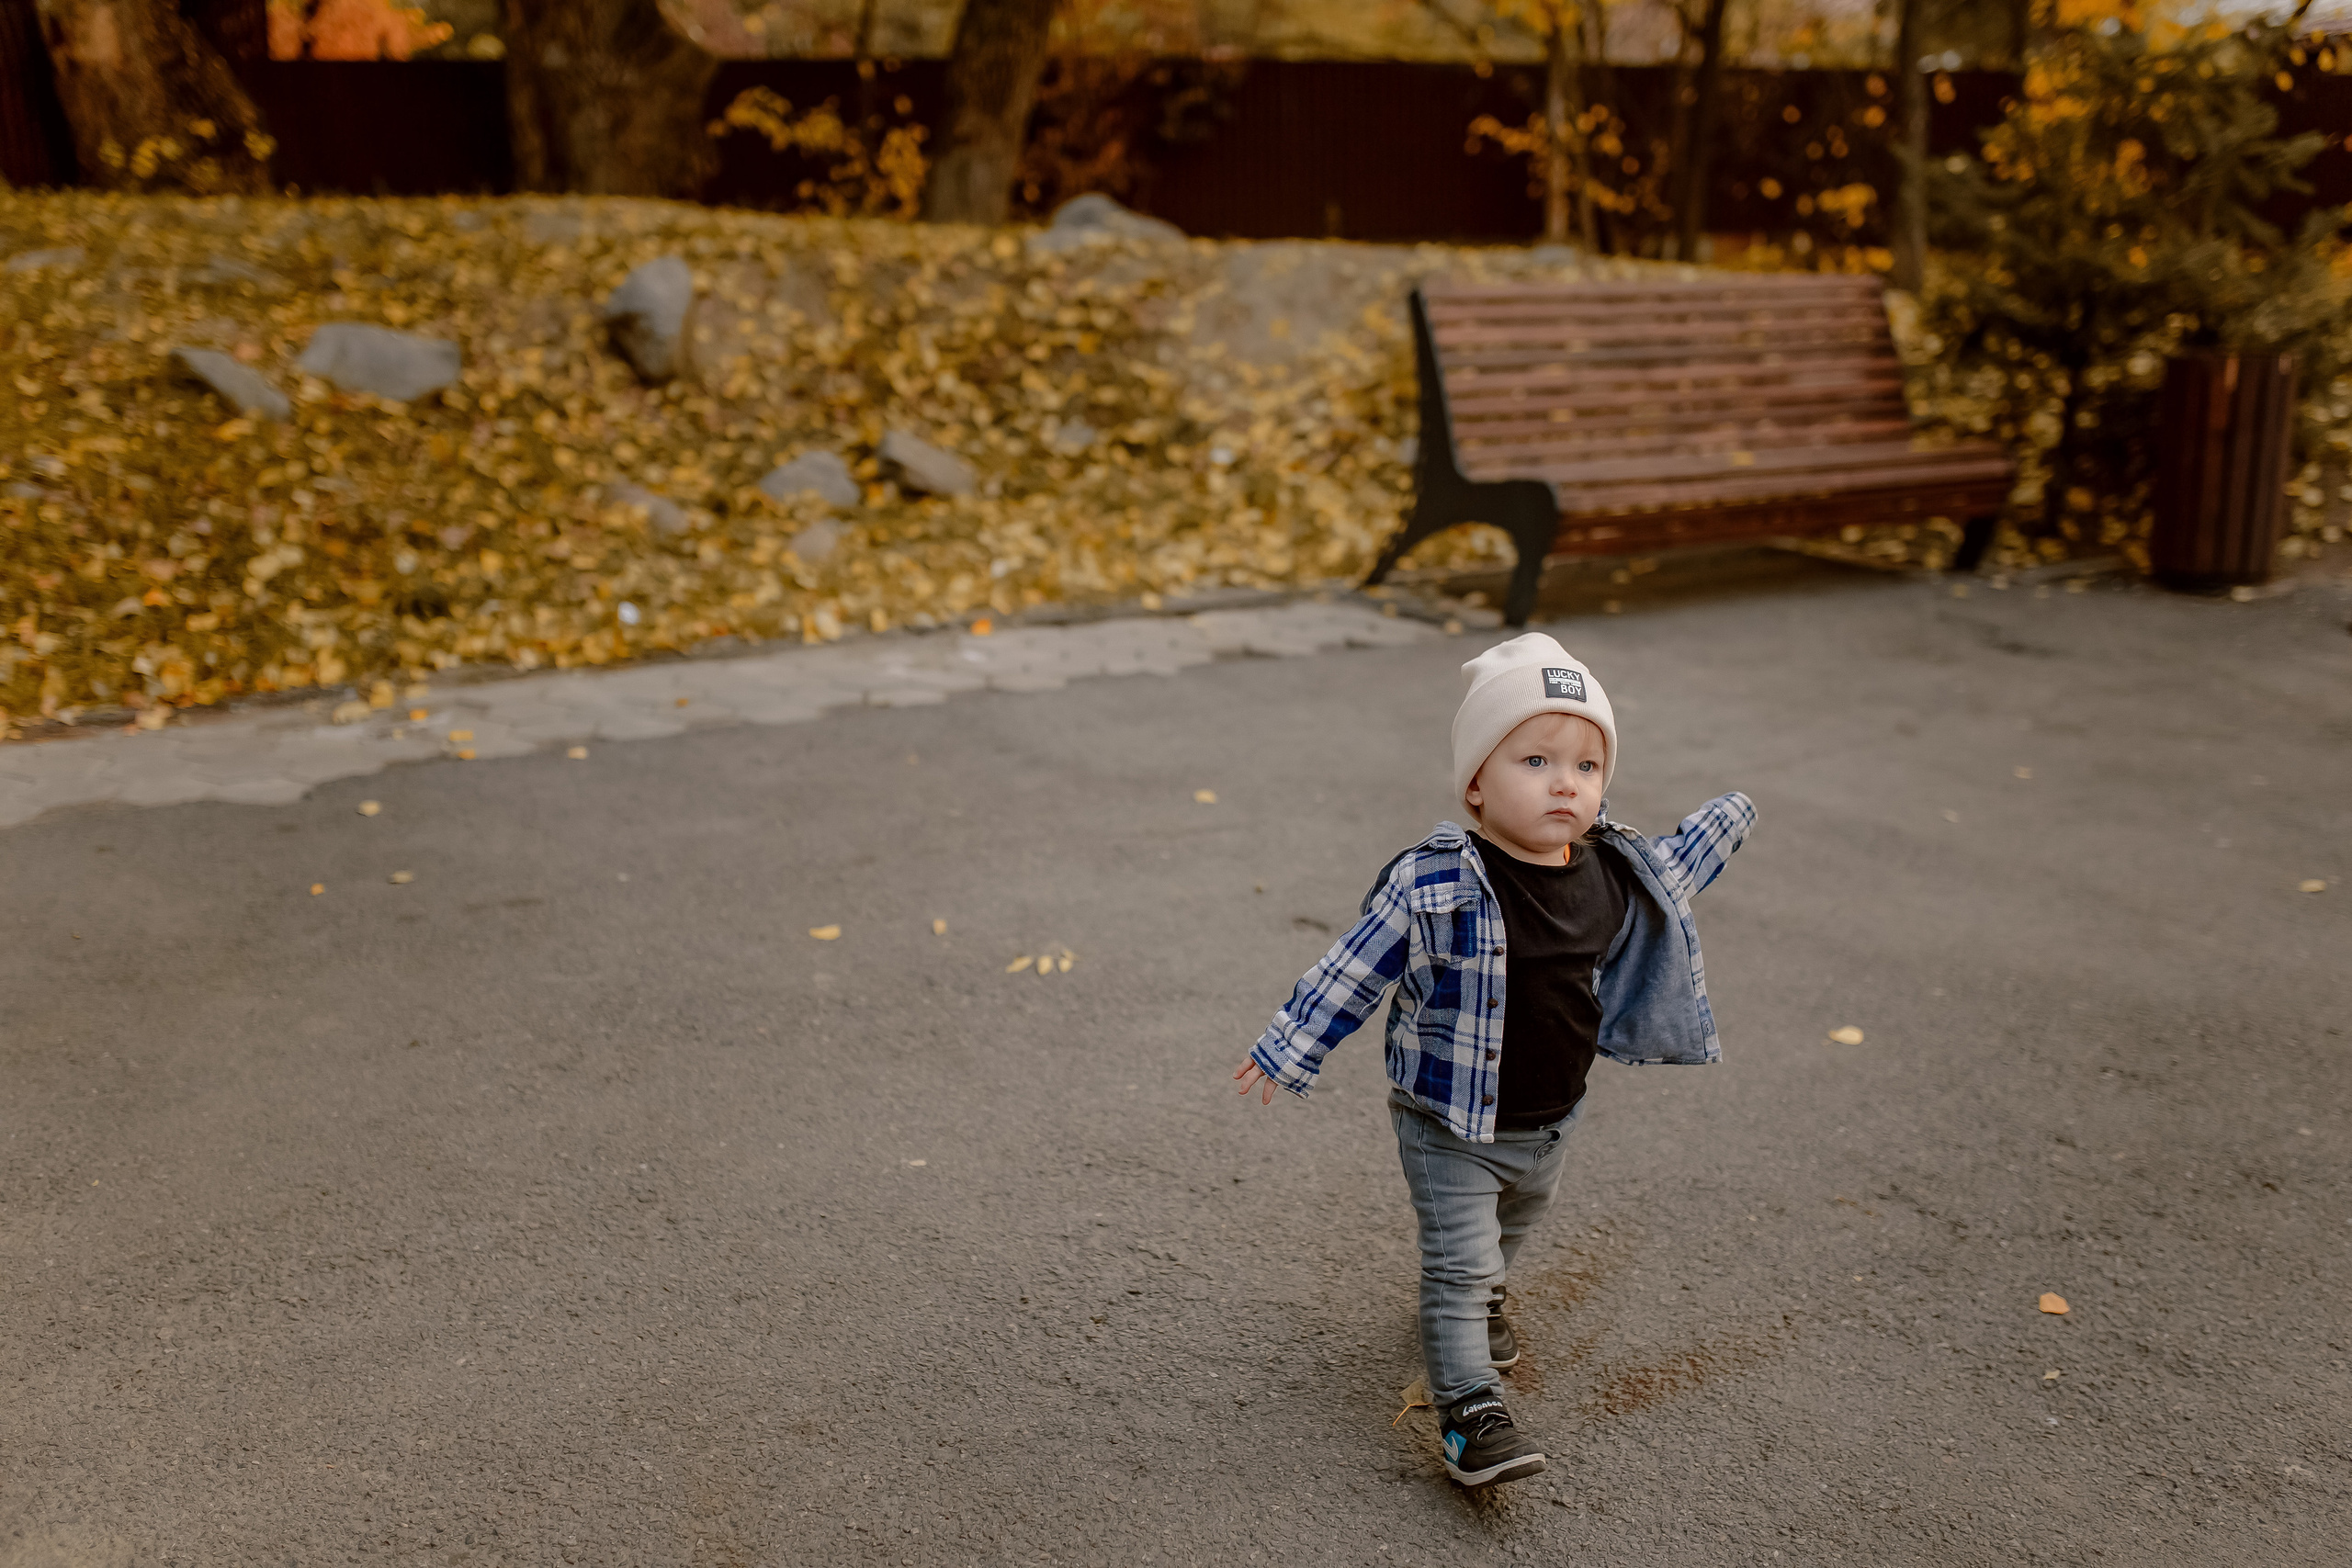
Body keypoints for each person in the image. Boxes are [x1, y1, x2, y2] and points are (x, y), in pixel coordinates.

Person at [1231, 631, 1754, 1488]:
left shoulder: (1611, 872)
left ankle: (1482, 1299)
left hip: (1550, 1120)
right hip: (1449, 1122)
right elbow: (1356, 966)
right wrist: (1291, 1043)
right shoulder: (1436, 881)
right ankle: (1469, 1413)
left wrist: (1724, 822)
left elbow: (1673, 873)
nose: (1565, 782)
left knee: (1510, 1231)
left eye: (1587, 767)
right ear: (1476, 781)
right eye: (1537, 758)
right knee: (1458, 1259)